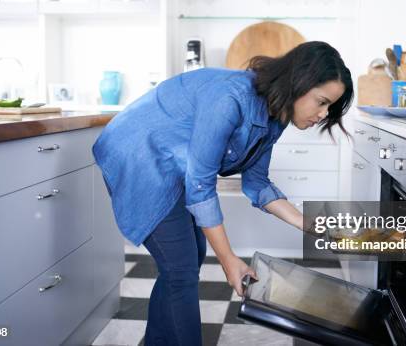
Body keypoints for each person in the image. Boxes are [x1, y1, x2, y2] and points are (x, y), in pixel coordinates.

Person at [92, 41, 354, 346]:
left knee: (188, 261)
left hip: (172, 163)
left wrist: (311, 224)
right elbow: (201, 185)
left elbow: (257, 184)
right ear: (299, 83)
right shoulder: (230, 97)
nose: (323, 114)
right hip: (139, 157)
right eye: (321, 102)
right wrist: (229, 259)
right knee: (180, 271)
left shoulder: (275, 116)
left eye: (329, 107)